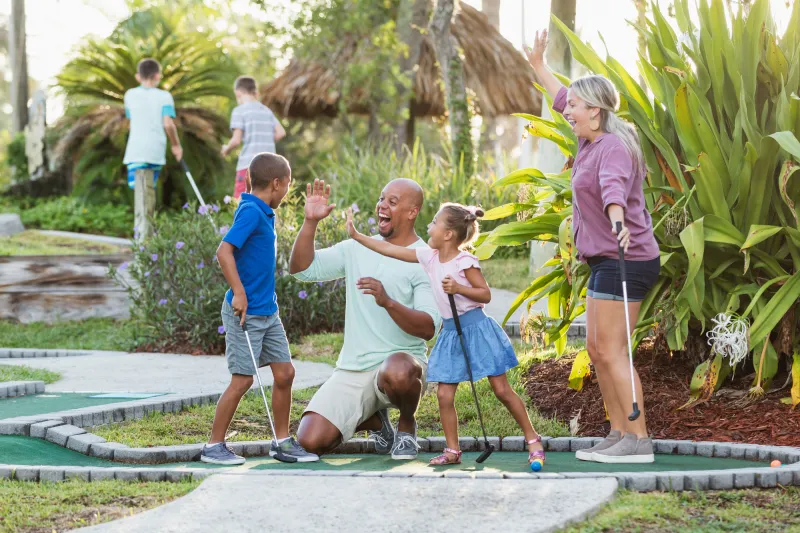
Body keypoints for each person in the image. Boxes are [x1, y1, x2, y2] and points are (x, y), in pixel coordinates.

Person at [526, 30, 660, 464]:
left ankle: (639, 441)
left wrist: (619, 223)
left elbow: (613, 191)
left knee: (613, 349)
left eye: (577, 107)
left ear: (596, 112)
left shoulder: (614, 148)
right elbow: (560, 93)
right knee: (598, 350)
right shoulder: (590, 138)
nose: (569, 111)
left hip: (628, 256)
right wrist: (537, 64)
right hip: (606, 259)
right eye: (571, 107)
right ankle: (618, 432)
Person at [345, 203, 546, 467]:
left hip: (477, 330)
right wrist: (358, 236)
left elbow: (484, 294)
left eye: (435, 222)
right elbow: (392, 250)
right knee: (444, 395)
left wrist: (459, 287)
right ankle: (453, 450)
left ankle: (533, 440)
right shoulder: (429, 257)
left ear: (449, 234)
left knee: (501, 390)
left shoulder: (465, 261)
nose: (429, 226)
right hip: (452, 333)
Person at [289, 178, 441, 460]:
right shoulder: (356, 248)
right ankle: (376, 422)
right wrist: (310, 222)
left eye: (392, 202)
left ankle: (406, 428)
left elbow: (428, 328)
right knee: (309, 440)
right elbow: (301, 269)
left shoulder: (425, 260)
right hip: (353, 369)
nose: (382, 205)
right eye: (382, 199)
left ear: (412, 212)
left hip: (402, 367)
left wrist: (388, 302)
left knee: (397, 370)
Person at [201, 152, 318, 465]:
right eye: (288, 186)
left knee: (285, 373)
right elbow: (223, 251)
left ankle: (281, 441)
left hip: (268, 312)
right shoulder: (252, 211)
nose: (287, 192)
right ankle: (213, 446)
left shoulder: (263, 211)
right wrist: (238, 292)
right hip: (245, 313)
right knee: (242, 380)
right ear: (277, 183)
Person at [123, 58, 183, 239]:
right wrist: (176, 145)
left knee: (143, 198)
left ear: (137, 76)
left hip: (134, 153)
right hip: (153, 152)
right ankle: (144, 244)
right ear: (157, 76)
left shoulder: (129, 95)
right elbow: (168, 124)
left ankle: (142, 242)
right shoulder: (164, 96)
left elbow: (131, 123)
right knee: (146, 200)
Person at [221, 76, 286, 199]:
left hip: (248, 165)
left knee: (241, 202)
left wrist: (226, 149)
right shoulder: (266, 111)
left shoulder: (239, 111)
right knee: (266, 203)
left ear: (238, 93)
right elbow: (281, 132)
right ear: (255, 92)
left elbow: (236, 140)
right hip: (269, 167)